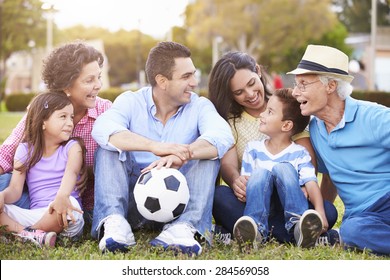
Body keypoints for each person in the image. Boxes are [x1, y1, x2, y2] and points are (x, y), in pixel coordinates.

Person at [91, 41, 234, 255]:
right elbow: (103, 128)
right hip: (134, 202)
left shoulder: (200, 106)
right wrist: (154, 146)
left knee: (209, 153)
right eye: (186, 77)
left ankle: (183, 229)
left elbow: (222, 136)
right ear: (162, 81)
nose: (194, 82)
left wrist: (186, 153)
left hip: (179, 204)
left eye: (193, 75)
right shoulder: (131, 101)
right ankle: (115, 224)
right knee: (109, 147)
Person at [208, 51, 338, 245]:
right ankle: (296, 235)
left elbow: (307, 163)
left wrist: (299, 184)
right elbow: (229, 166)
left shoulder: (287, 105)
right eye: (239, 92)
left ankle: (258, 233)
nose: (250, 94)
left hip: (290, 198)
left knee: (327, 211)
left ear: (258, 71)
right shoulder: (231, 122)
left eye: (251, 84)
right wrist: (237, 181)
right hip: (255, 200)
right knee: (219, 197)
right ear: (230, 94)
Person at [288, 44, 390, 255]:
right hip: (362, 217)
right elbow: (330, 177)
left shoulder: (374, 117)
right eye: (296, 84)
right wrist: (320, 214)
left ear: (331, 85)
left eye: (303, 84)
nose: (296, 92)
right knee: (352, 232)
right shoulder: (315, 130)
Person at [0, 41, 112, 219]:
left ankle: (27, 226)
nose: (98, 85)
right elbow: (7, 153)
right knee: (4, 182)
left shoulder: (105, 111)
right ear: (67, 86)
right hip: (39, 200)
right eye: (89, 80)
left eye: (98, 77)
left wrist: (86, 171)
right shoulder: (44, 109)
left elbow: (118, 163)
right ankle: (30, 226)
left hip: (84, 205)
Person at [234, 88, 327, 249]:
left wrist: (321, 212)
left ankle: (299, 226)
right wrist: (243, 189)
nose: (262, 115)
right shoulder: (253, 149)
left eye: (269, 112)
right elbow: (248, 183)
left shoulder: (299, 153)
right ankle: (255, 229)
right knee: (260, 174)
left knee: (283, 169)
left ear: (286, 125)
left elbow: (311, 182)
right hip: (263, 207)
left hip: (289, 206)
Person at [0, 92, 86, 247]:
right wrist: (2, 196)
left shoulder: (73, 147)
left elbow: (71, 173)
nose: (70, 123)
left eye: (71, 117)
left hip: (64, 215)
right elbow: (14, 189)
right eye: (63, 116)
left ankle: (23, 234)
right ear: (43, 122)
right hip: (35, 215)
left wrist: (62, 197)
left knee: (70, 205)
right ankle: (33, 236)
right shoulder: (25, 150)